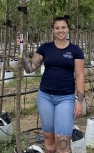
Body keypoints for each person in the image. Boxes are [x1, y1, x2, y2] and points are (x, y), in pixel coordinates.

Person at [22, 16, 85, 153]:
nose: (60, 30)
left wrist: (80, 101)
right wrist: (22, 49)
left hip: (65, 98)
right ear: (53, 30)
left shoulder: (75, 51)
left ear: (68, 29)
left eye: (63, 27)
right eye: (57, 28)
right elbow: (30, 68)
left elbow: (80, 76)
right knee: (49, 138)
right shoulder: (45, 48)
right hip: (45, 97)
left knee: (63, 142)